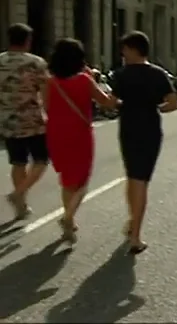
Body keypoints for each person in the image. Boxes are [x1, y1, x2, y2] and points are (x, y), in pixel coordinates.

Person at [111, 31, 177, 254]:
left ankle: (133, 224)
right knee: (141, 180)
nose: (122, 53)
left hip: (128, 129)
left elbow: (112, 103)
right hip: (150, 129)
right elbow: (173, 103)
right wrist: (157, 107)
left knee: (133, 178)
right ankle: (135, 236)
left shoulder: (121, 75)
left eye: (125, 49)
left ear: (133, 49)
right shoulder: (158, 74)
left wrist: (124, 105)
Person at [45, 38, 118, 243]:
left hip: (56, 132)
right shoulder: (85, 80)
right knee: (82, 180)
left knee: (67, 179)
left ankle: (70, 221)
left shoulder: (49, 81)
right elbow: (106, 103)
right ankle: (67, 218)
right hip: (79, 132)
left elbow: (47, 107)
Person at [0, 23, 49, 220]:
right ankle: (19, 193)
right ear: (28, 41)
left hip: (7, 121)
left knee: (18, 162)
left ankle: (21, 205)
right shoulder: (36, 63)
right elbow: (45, 93)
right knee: (41, 160)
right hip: (33, 121)